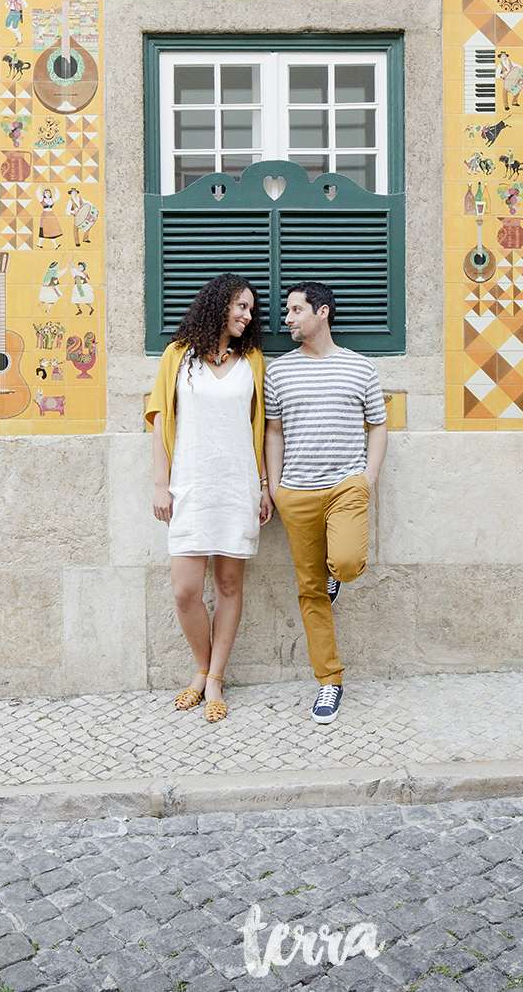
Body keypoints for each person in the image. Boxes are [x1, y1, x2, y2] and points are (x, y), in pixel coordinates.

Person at [145, 274, 271, 725]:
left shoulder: (253, 360)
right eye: (241, 306)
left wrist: (262, 485)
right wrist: (162, 485)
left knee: (230, 586)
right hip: (191, 487)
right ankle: (200, 666)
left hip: (236, 485)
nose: (247, 315)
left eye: (251, 310)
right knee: (185, 591)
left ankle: (213, 678)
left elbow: (261, 427)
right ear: (219, 304)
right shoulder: (178, 356)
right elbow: (159, 422)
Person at [263, 281, 388, 725]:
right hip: (296, 492)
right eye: (286, 312)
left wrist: (367, 478)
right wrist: (275, 488)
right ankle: (329, 682)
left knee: (349, 562)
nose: (287, 319)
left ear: (323, 312)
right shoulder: (278, 372)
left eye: (296, 310)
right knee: (310, 591)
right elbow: (273, 432)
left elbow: (378, 425)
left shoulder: (360, 369)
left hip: (346, 487)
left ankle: (337, 575)